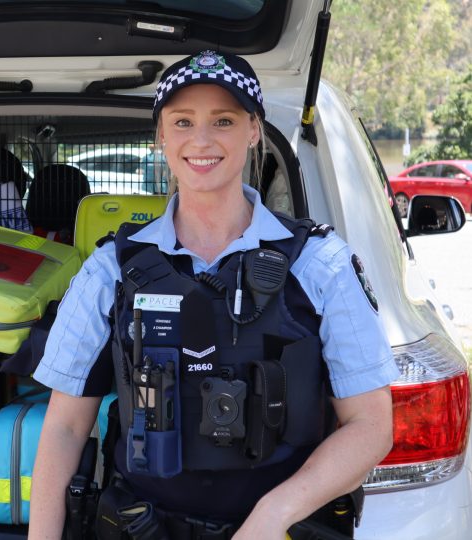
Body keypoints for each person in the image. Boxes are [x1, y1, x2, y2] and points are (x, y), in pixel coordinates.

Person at [29, 50, 398, 540]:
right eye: (182, 121)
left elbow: (371, 427)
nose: (201, 141)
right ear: (161, 135)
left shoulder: (320, 264)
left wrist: (271, 516)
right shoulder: (111, 269)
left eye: (222, 120)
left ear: (252, 130)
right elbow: (64, 429)